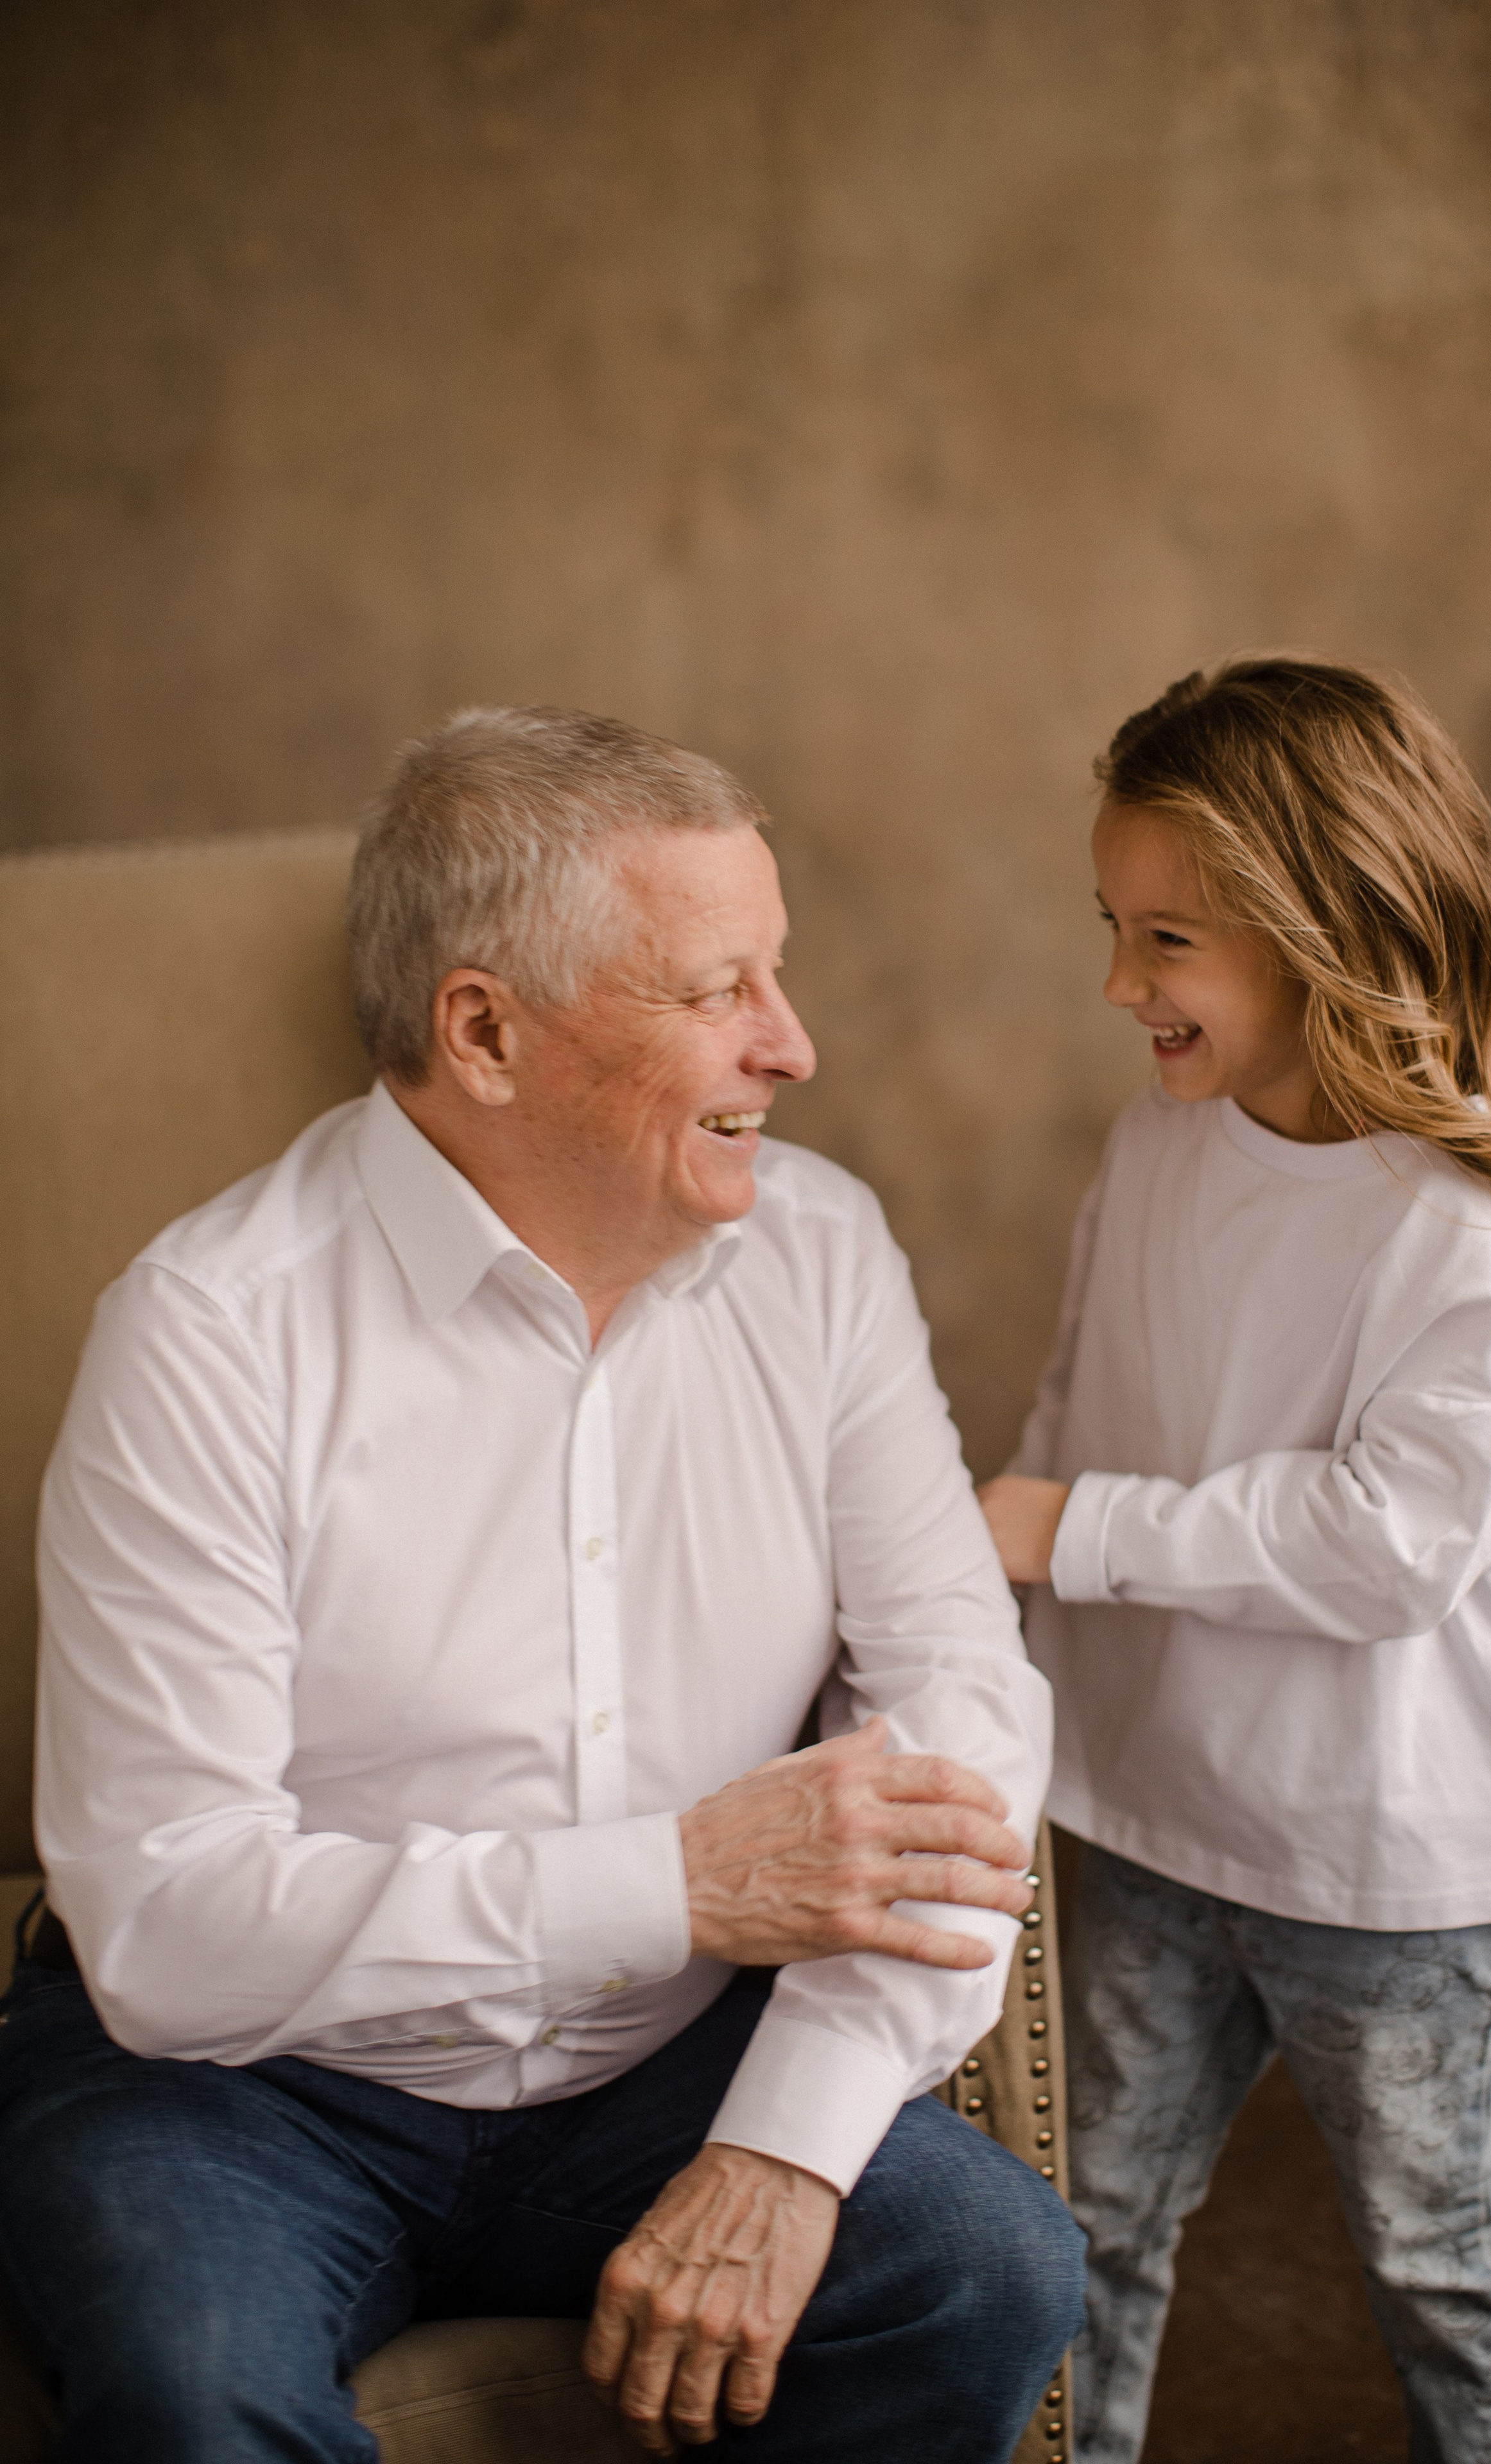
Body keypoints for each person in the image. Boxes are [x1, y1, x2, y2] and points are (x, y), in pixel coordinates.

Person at [0, 706, 1082, 2463]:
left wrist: (782, 2143)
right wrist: (676, 1880)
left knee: (981, 2269)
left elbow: (959, 1727)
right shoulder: (210, 1334)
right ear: (486, 1031)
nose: (792, 1046)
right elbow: (169, 1926)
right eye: (715, 990)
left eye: (777, 974)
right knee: (194, 2380)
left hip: (662, 2075)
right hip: (234, 2090)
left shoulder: (820, 1255)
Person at [979, 658, 1491, 2464]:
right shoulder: (1157, 1141)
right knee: (1085, 2228)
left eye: (1169, 939)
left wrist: (1069, 1528)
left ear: (1320, 930)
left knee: (1435, 2252)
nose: (1122, 983)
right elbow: (1080, 1403)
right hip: (1153, 1810)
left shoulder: (1455, 1229)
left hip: (1384, 1857)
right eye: (1113, 927)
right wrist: (1001, 1593)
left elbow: (1389, 1550)